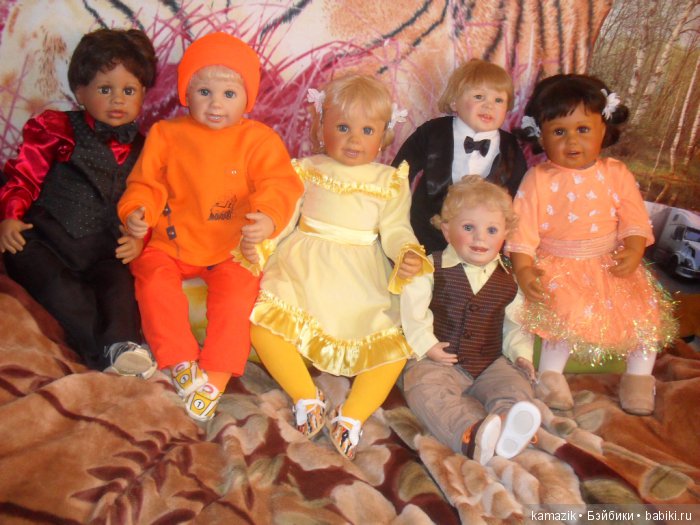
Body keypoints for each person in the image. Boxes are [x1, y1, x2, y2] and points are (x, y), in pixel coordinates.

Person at [118, 32, 303, 422]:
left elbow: (279, 184)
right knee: (152, 280)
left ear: (247, 99)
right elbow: (146, 183)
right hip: (172, 242)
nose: (216, 104)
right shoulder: (166, 134)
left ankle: (216, 373)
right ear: (186, 93)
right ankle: (180, 359)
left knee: (237, 297)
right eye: (204, 92)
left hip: (231, 246)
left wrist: (267, 217)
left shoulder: (258, 140)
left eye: (229, 94)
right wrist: (138, 211)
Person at [247, 74, 433, 460]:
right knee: (262, 326)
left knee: (392, 350)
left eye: (367, 130)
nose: (354, 139)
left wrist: (406, 253)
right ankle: (305, 397)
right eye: (343, 127)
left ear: (384, 136)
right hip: (304, 268)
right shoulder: (307, 169)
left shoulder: (389, 180)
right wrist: (260, 247)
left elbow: (396, 230)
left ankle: (352, 416)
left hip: (359, 276)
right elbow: (285, 218)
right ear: (321, 128)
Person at [508, 74, 677, 416]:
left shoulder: (616, 172)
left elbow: (633, 217)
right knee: (560, 313)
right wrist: (524, 268)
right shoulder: (538, 178)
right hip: (558, 265)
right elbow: (522, 228)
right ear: (540, 135)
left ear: (603, 129)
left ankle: (638, 377)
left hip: (609, 262)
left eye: (583, 129)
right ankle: (551, 376)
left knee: (643, 314)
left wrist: (634, 248)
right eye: (559, 132)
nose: (572, 140)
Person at [0, 28, 158, 376]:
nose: (117, 100)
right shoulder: (56, 128)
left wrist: (139, 238)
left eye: (128, 90)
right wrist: (10, 215)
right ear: (80, 92)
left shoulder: (148, 148)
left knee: (119, 287)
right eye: (105, 89)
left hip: (105, 248)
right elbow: (24, 175)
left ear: (143, 94)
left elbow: (151, 201)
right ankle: (103, 354)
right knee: (59, 289)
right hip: (46, 239)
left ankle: (125, 346)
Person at [401, 176, 541, 464]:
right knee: (423, 389)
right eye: (468, 228)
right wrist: (427, 345)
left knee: (516, 386)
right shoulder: (430, 267)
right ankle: (469, 433)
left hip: (489, 360)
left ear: (505, 234)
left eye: (492, 230)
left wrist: (521, 355)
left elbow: (514, 326)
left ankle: (509, 422)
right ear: (447, 230)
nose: (480, 238)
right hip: (439, 359)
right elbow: (412, 311)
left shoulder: (509, 280)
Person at [392, 59, 527, 254]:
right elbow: (399, 174)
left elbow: (519, 197)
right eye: (479, 97)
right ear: (454, 101)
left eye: (498, 100)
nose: (489, 106)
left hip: (482, 245)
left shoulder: (510, 146)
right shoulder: (432, 132)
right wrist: (394, 222)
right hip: (426, 237)